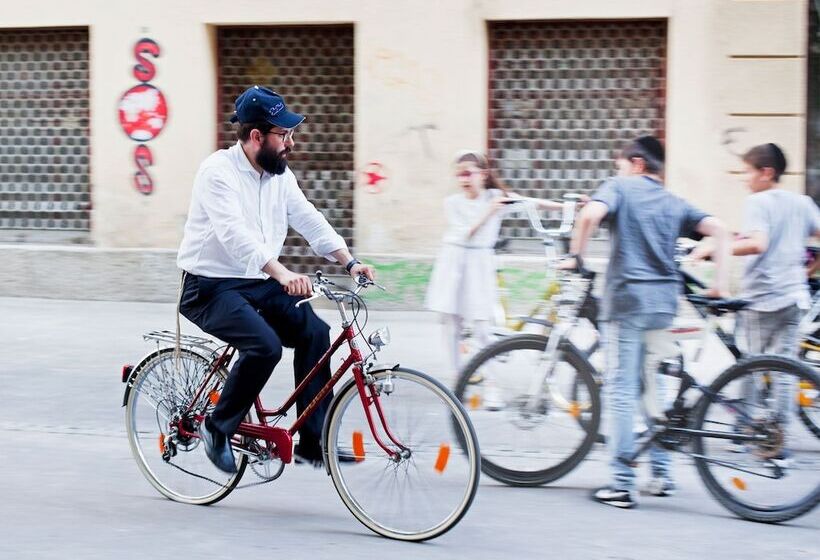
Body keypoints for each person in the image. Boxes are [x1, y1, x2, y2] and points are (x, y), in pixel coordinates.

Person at [177, 85, 374, 473]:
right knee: (265, 347)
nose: (291, 142)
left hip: (256, 281)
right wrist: (282, 273)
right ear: (256, 137)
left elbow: (308, 217)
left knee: (315, 333)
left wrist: (349, 261)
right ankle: (218, 428)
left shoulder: (278, 176)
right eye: (283, 135)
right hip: (210, 286)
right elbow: (235, 235)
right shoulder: (217, 172)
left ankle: (313, 442)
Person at [560, 136, 730, 509]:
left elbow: (589, 216)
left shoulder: (619, 186)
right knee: (654, 386)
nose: (617, 171)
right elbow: (719, 229)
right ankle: (662, 474)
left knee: (621, 389)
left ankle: (621, 484)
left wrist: (576, 256)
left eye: (619, 164)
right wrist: (720, 283)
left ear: (636, 163)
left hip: (627, 302)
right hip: (664, 305)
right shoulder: (673, 201)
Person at [692, 143, 820, 454]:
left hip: (763, 298)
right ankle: (778, 437)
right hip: (793, 297)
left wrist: (715, 248)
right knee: (785, 369)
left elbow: (758, 244)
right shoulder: (802, 203)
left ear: (767, 172)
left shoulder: (758, 201)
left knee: (750, 366)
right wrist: (805, 273)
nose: (745, 179)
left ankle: (745, 432)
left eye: (749, 172)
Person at [424, 150, 565, 379]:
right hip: (453, 263)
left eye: (468, 173)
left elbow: (530, 203)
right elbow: (466, 233)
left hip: (479, 264)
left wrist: (568, 207)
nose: (464, 180)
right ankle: (457, 378)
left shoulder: (495, 197)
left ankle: (492, 385)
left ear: (483, 174)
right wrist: (490, 211)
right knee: (452, 324)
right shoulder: (453, 203)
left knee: (482, 326)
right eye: (459, 175)